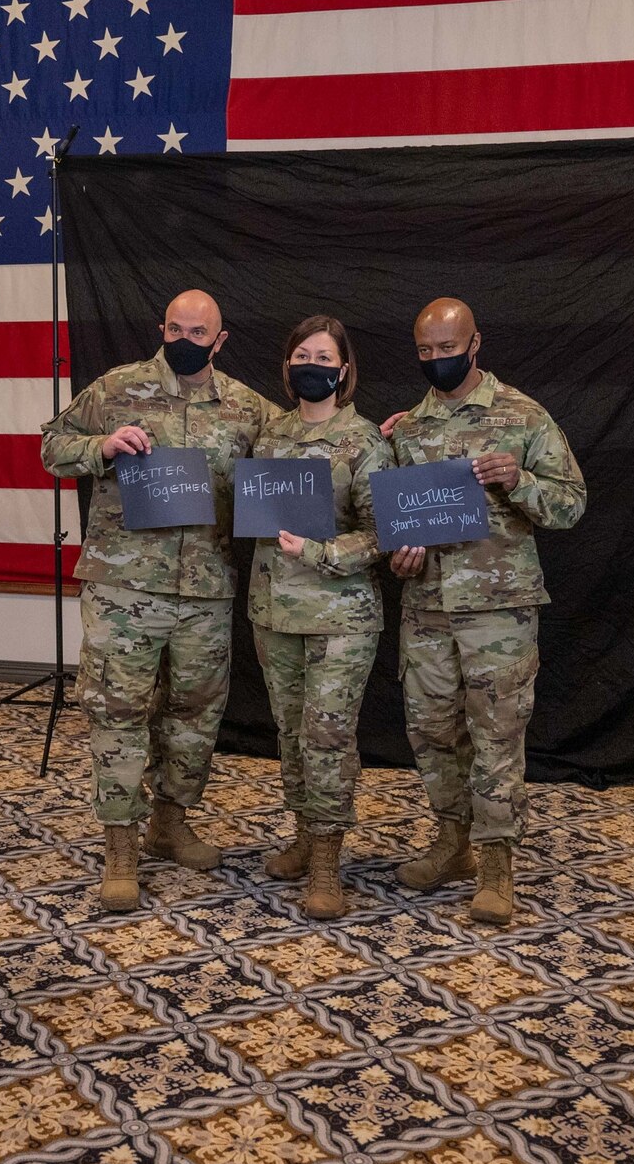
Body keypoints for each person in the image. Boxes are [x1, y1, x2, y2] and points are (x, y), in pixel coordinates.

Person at [41, 290, 279, 911]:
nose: (185, 338)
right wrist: (102, 448)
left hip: (205, 586)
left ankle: (170, 824)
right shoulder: (116, 388)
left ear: (220, 339)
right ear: (161, 328)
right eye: (175, 327)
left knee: (195, 711)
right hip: (124, 585)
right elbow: (51, 447)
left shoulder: (246, 407)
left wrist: (375, 435)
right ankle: (120, 846)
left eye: (199, 331)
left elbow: (309, 449)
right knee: (118, 711)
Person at [386, 297, 586, 924]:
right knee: (431, 731)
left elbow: (572, 504)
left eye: (448, 349)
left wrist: (519, 480)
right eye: (426, 351)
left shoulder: (523, 416)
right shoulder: (407, 429)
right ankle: (452, 844)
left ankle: (497, 866)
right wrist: (401, 555)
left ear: (476, 345)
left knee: (496, 735)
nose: (437, 360)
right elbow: (392, 520)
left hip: (499, 610)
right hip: (427, 607)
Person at [247, 316, 393, 919]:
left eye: (323, 355)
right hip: (273, 611)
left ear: (343, 369)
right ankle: (305, 835)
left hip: (342, 616)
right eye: (301, 354)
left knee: (327, 737)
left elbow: (383, 532)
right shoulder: (269, 438)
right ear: (287, 368)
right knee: (288, 733)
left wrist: (318, 552)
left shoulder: (364, 442)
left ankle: (329, 863)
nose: (312, 364)